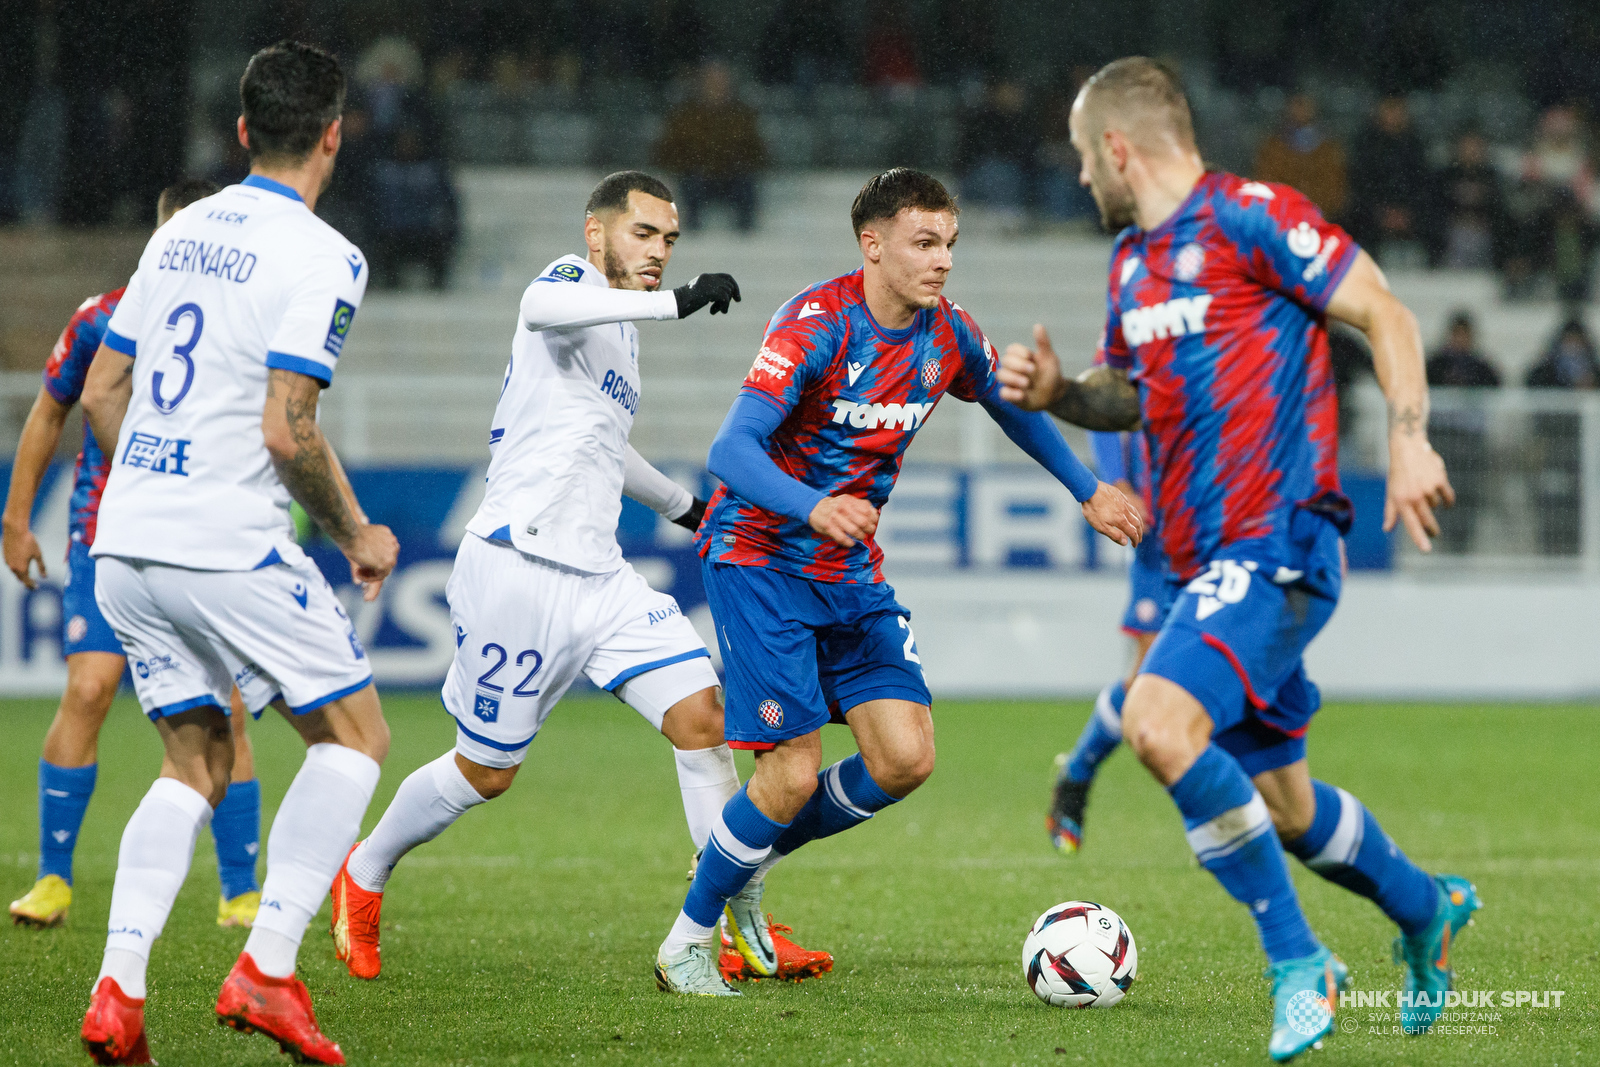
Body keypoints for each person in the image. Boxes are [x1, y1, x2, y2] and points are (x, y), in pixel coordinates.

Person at [997, 58, 1478, 1061]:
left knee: (1156, 721)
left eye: (1087, 159)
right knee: (1285, 804)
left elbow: (1384, 309)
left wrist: (1407, 435)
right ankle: (1424, 906)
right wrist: (1058, 392)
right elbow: (1126, 395)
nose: (1083, 179)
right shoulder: (1132, 264)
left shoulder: (1251, 217)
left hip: (1280, 535)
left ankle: (1298, 962)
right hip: (1199, 557)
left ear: (1119, 148)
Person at [327, 170, 832, 988]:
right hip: (517, 566)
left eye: (669, 240)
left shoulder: (617, 336)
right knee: (487, 771)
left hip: (601, 577)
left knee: (705, 719)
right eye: (644, 233)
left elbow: (603, 441)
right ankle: (366, 869)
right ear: (597, 233)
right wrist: (675, 304)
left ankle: (736, 925)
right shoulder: (572, 282)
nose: (660, 252)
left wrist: (690, 510)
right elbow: (538, 306)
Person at [654, 167, 1144, 996]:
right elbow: (730, 453)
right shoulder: (815, 325)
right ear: (871, 245)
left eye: (949, 243)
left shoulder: (946, 334)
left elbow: (1006, 402)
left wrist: (1087, 486)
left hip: (848, 572)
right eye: (924, 242)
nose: (942, 260)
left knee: (905, 756)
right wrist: (813, 507)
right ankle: (687, 942)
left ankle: (741, 855)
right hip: (761, 560)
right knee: (790, 774)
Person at [76, 41, 398, 1065]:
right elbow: (286, 427)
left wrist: (155, 490)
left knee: (196, 759)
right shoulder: (322, 254)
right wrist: (355, 531)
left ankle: (118, 993)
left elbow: (98, 392)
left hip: (125, 539)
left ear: (246, 130)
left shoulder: (177, 233)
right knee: (354, 736)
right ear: (334, 136)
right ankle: (265, 967)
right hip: (224, 538)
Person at [4, 179, 266, 933]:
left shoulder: (244, 326)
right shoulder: (103, 317)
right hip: (107, 530)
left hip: (203, 537)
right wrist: (16, 518)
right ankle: (53, 877)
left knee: (228, 708)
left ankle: (238, 888)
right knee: (89, 689)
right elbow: (51, 409)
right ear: (160, 240)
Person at [1047, 425, 1170, 853]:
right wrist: (1118, 483)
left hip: (1224, 530)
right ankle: (1078, 773)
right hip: (1163, 537)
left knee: (1222, 676)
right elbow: (1103, 402)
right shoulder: (1142, 356)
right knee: (1150, 680)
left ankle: (1223, 819)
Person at [653, 61, 766, 233]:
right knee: (691, 183)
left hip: (733, 177)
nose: (716, 86)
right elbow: (668, 150)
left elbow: (757, 151)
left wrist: (737, 162)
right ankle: (692, 233)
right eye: (711, 81)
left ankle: (746, 235)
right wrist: (691, 162)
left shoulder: (743, 115)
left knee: (746, 184)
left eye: (721, 81)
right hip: (698, 176)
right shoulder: (685, 114)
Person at [1425, 311, 1501, 554]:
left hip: (1470, 438)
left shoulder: (1479, 365)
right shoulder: (1436, 363)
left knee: (1468, 490)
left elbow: (1496, 382)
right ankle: (1443, 539)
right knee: (1442, 489)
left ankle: (1463, 541)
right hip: (1443, 436)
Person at [1524, 318, 1600, 555]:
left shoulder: (1593, 368)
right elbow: (1532, 383)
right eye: (1569, 340)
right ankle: (1551, 547)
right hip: (1554, 449)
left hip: (1586, 452)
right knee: (1552, 499)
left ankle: (1578, 548)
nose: (1573, 346)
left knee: (1580, 501)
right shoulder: (1547, 369)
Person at [1349, 96, 1429, 266]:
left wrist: (1406, 212)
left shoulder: (1415, 144)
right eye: (1388, 109)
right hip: (1374, 211)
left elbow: (1422, 183)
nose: (1392, 115)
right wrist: (1381, 212)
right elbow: (1360, 183)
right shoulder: (1366, 143)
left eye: (1397, 110)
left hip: (1409, 212)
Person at [1252, 92, 1346, 223]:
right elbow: (1266, 181)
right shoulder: (1274, 145)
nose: (1300, 111)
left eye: (1304, 105)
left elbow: (1334, 186)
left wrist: (1315, 211)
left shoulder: (1328, 148)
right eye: (1297, 105)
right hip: (1281, 219)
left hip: (1318, 218)